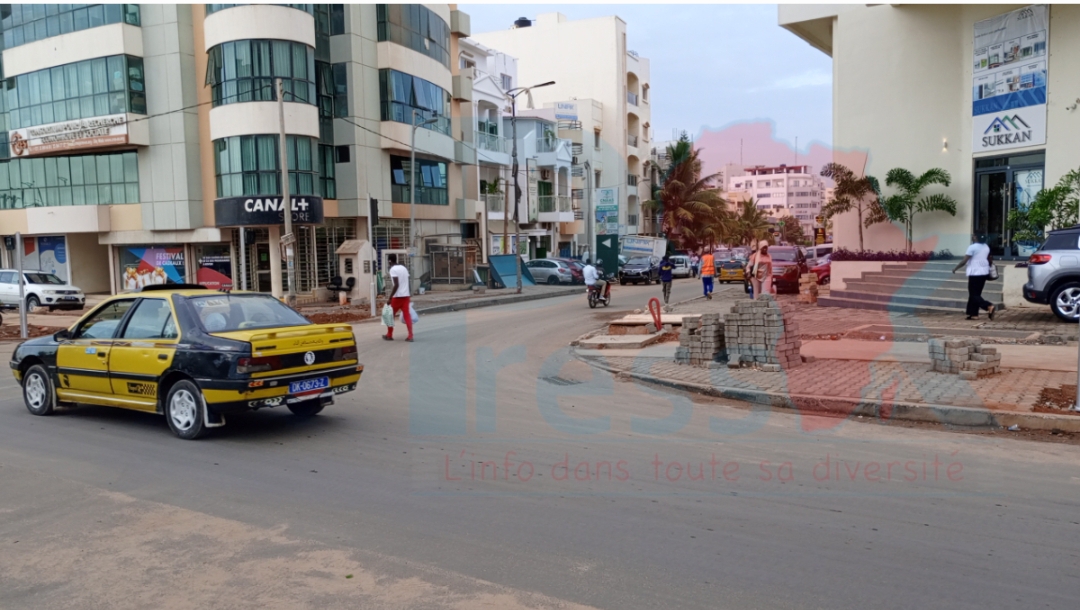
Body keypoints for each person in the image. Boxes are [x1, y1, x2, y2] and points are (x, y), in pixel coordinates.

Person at [953, 234, 996, 321]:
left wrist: (955, 268)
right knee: (976, 294)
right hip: (984, 272)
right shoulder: (986, 246)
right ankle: (973, 314)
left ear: (976, 237)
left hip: (975, 273)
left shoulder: (972, 247)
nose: (972, 237)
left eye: (974, 236)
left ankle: (988, 306)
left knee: (974, 294)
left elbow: (964, 261)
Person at [383, 253, 414, 341]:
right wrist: (409, 294)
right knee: (407, 315)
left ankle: (389, 335)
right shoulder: (404, 268)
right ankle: (410, 336)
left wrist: (390, 298)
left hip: (397, 297)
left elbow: (396, 284)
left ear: (389, 261)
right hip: (406, 296)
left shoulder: (393, 269)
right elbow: (408, 282)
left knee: (390, 315)